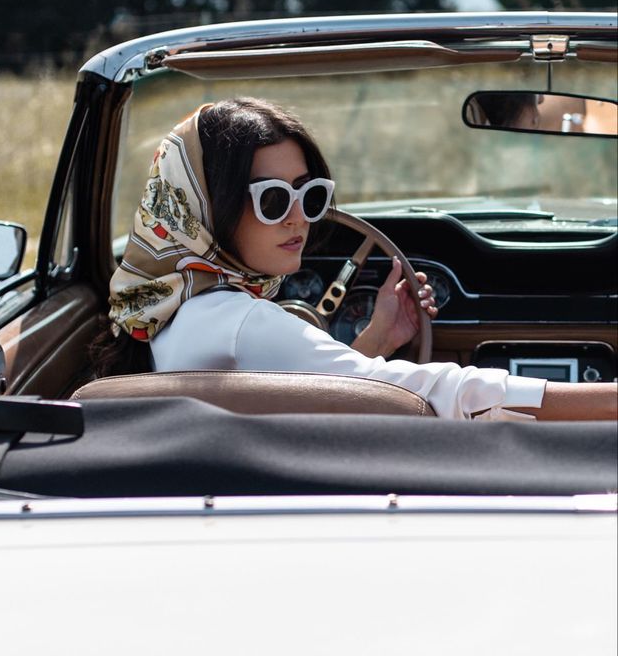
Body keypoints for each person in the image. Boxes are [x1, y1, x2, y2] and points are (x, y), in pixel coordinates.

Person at [98, 98, 617, 421]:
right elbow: (426, 394)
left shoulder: (171, 311)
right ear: (207, 208)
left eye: (312, 195)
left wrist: (376, 342)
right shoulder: (245, 322)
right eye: (273, 199)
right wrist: (605, 401)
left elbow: (310, 389)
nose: (299, 219)